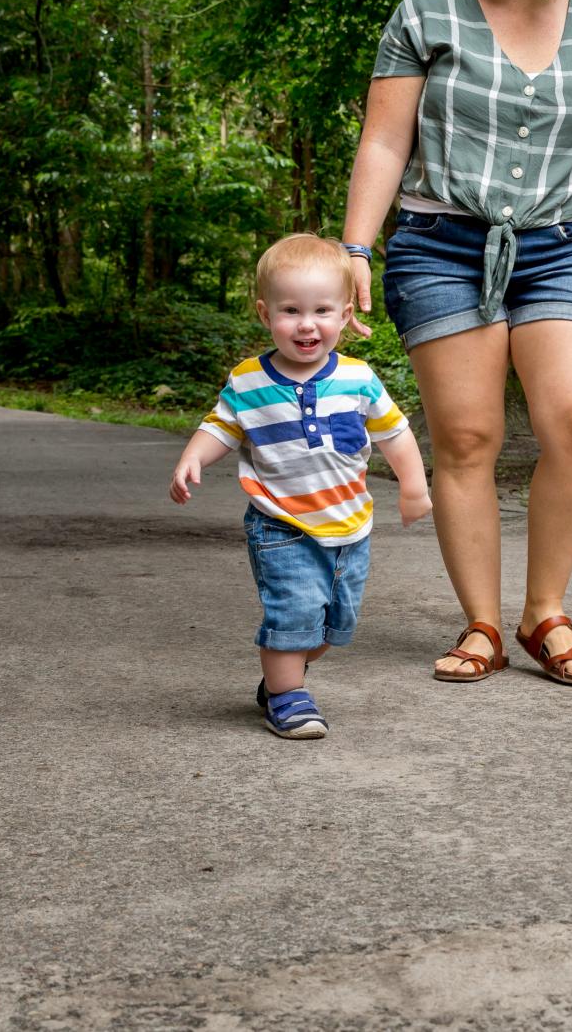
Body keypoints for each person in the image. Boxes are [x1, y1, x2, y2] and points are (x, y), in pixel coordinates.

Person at [340, 0, 572, 686]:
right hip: (443, 243)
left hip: (562, 247)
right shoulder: (425, 16)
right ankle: (481, 622)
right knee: (468, 438)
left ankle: (544, 610)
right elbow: (383, 140)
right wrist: (355, 247)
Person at [169, 234, 433, 737]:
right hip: (281, 524)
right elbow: (221, 426)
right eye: (291, 310)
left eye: (321, 310)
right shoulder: (249, 380)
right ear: (265, 314)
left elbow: (395, 434)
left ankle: (280, 679)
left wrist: (414, 487)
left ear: (344, 314)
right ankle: (288, 696)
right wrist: (191, 458)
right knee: (291, 615)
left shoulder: (359, 378)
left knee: (334, 625)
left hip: (350, 526)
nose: (306, 324)